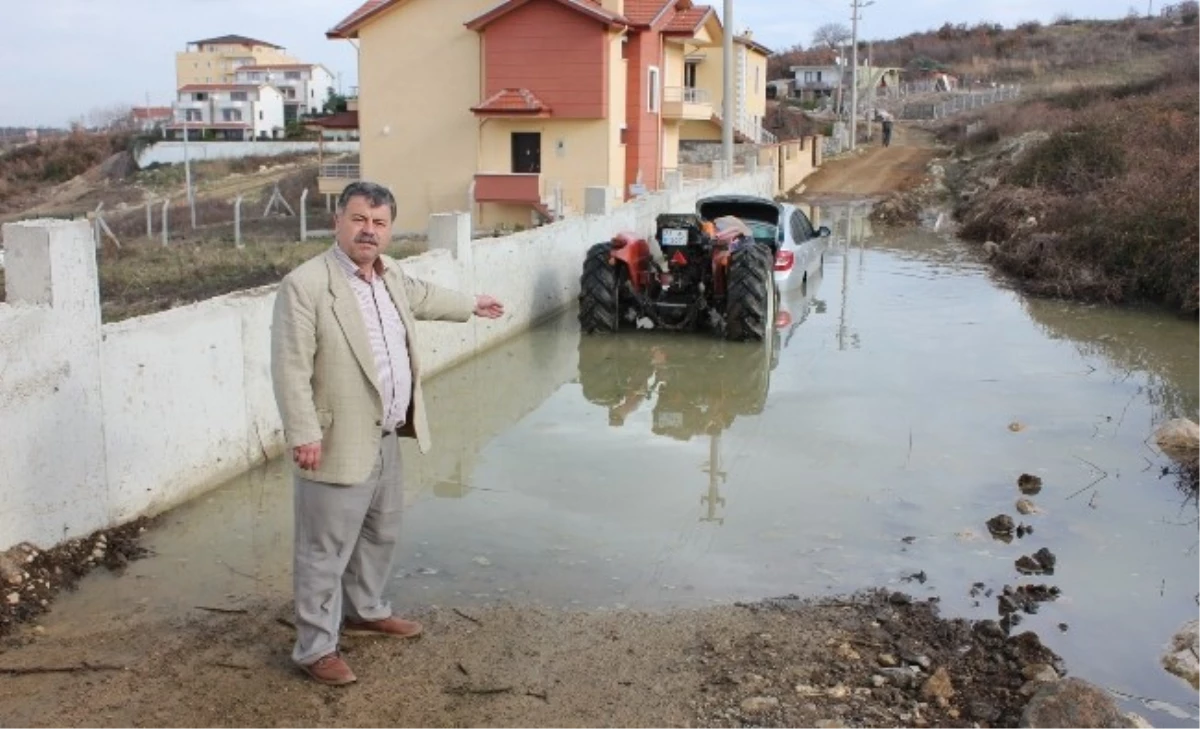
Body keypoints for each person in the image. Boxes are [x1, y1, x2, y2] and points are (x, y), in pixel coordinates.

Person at [270, 180, 505, 686]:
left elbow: (422, 296)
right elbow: (289, 368)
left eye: (379, 223)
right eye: (359, 219)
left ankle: (366, 610)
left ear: (390, 230)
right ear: (338, 221)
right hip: (335, 440)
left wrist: (471, 304)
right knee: (323, 551)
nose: (368, 231)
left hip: (386, 434)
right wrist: (303, 434)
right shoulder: (306, 285)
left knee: (380, 533)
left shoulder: (391, 274)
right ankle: (315, 648)